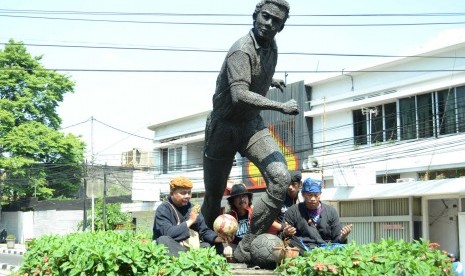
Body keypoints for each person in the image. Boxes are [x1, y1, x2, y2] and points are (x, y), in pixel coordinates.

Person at [200, 0, 298, 263]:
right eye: (265, 16)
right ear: (255, 15)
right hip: (223, 127)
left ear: (282, 26)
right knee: (214, 192)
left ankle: (246, 247)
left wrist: (268, 81)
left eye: (276, 21)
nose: (269, 23)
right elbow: (239, 94)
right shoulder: (240, 51)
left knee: (280, 177)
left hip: (250, 125)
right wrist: (279, 106)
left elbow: (254, 82)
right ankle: (207, 246)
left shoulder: (272, 48)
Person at [153, 176, 227, 257]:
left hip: (189, 246)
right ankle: (191, 258)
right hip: (173, 246)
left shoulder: (192, 208)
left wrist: (217, 238)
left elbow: (204, 231)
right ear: (172, 194)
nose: (187, 196)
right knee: (163, 240)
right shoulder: (163, 209)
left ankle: (190, 257)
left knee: (216, 245)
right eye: (183, 193)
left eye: (189, 192)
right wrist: (190, 221)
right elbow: (168, 233)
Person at [282, 177, 353, 255]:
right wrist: (286, 233)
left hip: (326, 249)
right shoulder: (293, 211)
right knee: (291, 242)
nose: (313, 198)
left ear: (320, 194)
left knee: (344, 248)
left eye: (316, 195)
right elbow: (283, 234)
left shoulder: (331, 212)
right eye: (309, 195)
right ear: (303, 194)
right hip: (303, 249)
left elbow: (337, 239)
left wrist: (343, 236)